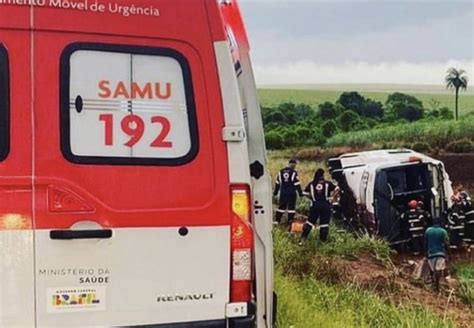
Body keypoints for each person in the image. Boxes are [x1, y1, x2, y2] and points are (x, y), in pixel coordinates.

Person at [300, 168, 337, 243]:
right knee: (324, 224)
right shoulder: (327, 183)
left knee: (310, 222)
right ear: (323, 175)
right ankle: (322, 242)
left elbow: (304, 193)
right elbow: (337, 189)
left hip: (315, 205)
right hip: (325, 205)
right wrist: (333, 197)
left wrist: (311, 197)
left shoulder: (311, 184)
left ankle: (303, 239)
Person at [273, 159, 303, 226]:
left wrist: (275, 192)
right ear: (294, 164)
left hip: (283, 192)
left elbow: (277, 183)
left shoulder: (281, 172)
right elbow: (297, 184)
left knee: (281, 207)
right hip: (291, 193)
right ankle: (290, 221)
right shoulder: (294, 172)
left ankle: (277, 221)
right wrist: (300, 193)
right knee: (291, 208)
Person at [425, 218, 449, 291]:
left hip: (431, 253)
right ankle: (437, 286)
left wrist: (425, 251)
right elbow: (446, 244)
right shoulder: (443, 231)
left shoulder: (428, 231)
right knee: (438, 270)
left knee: (432, 269)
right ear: (440, 223)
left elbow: (425, 242)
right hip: (440, 253)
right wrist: (449, 254)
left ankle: (433, 282)